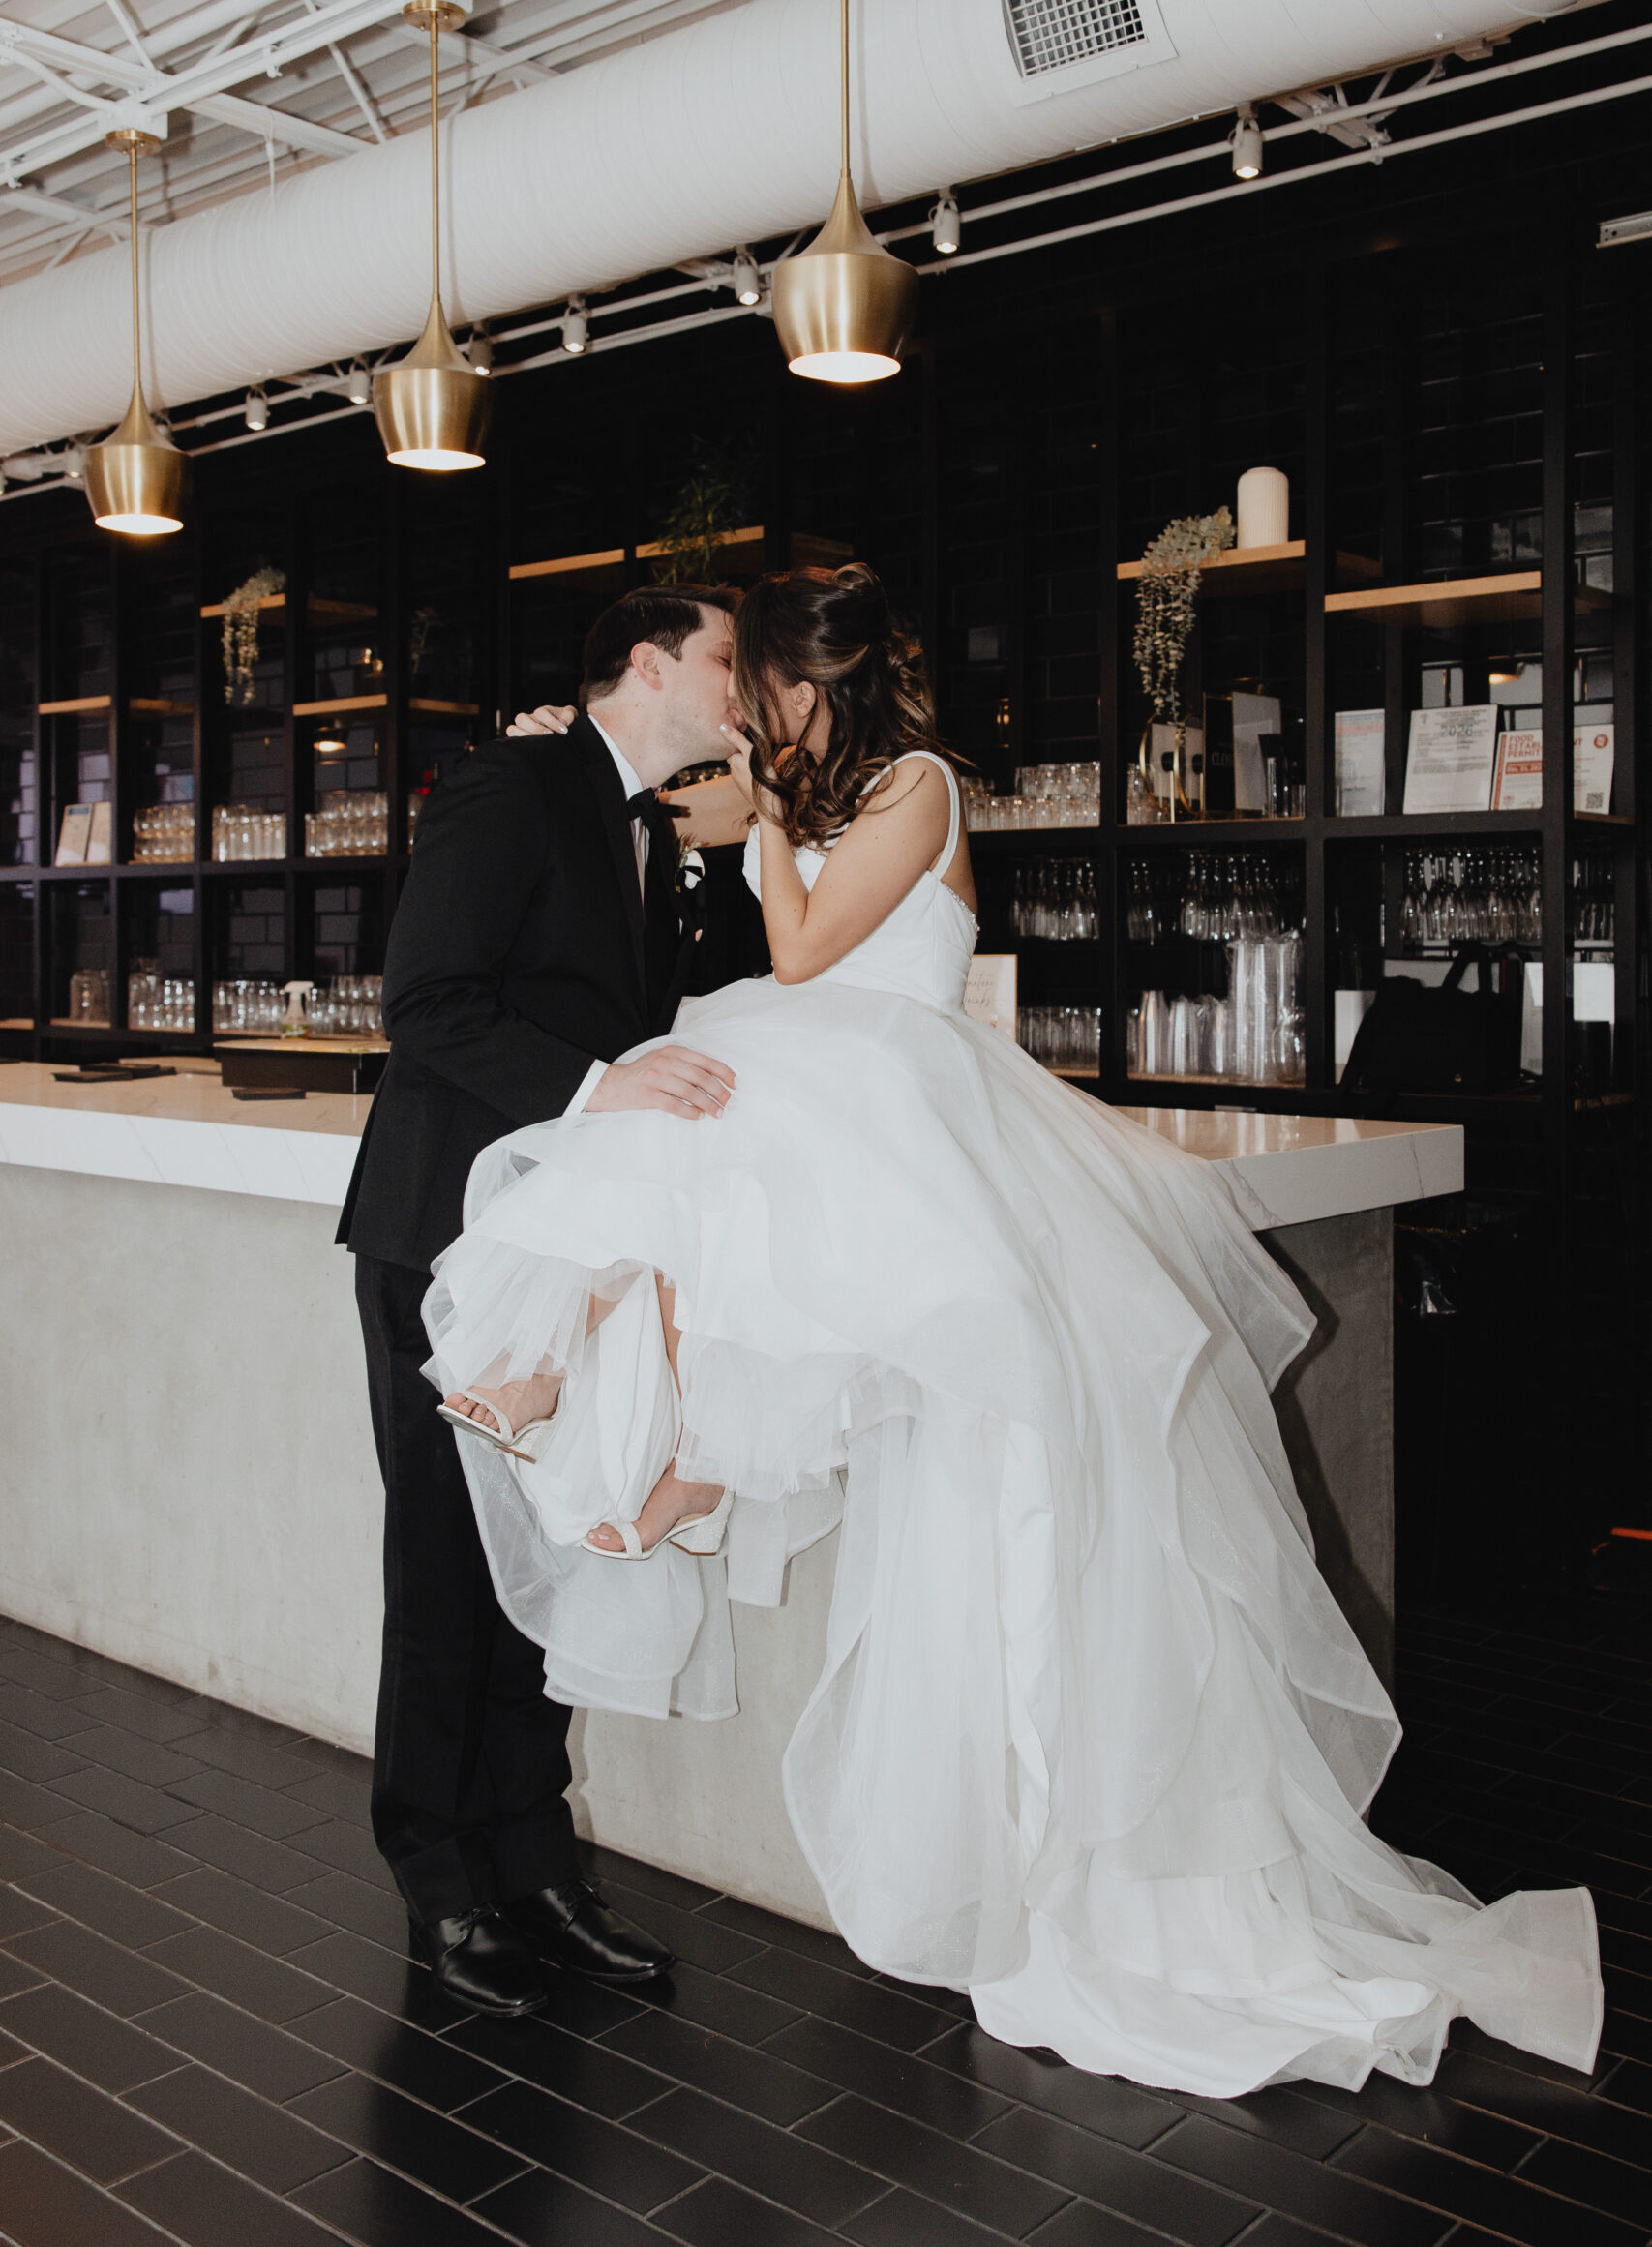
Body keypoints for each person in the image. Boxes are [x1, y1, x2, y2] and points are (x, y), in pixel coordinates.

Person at [422, 562, 1602, 2095]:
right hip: (839, 1085)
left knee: (726, 1125)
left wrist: (761, 816)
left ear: (805, 682)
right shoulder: (809, 789)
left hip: (897, 1088)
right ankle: (610, 1411)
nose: (741, 701)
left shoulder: (915, 783)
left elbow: (799, 952)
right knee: (693, 1136)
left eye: (756, 677)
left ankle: (677, 1458)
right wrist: (611, 765)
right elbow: (676, 847)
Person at [337, 583, 746, 2015]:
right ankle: (442, 1879)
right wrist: (596, 1088)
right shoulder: (509, 785)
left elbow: (706, 1006)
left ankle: (538, 1869)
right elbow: (426, 1004)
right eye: (726, 657)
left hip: (568, 1260)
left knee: (545, 1563)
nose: (744, 679)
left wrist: (737, 854)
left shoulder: (661, 827)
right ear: (649, 664)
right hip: (446, 1244)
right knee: (445, 1572)